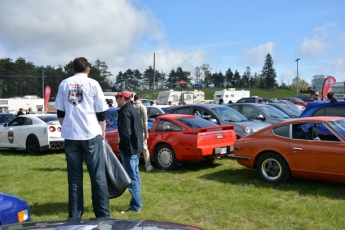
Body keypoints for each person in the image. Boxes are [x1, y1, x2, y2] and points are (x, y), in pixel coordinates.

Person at [54, 57, 109, 219]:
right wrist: (103, 131)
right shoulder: (93, 84)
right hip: (91, 133)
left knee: (74, 177)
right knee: (98, 175)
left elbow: (60, 112)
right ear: (88, 69)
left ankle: (75, 217)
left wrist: (68, 126)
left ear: (73, 69)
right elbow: (101, 112)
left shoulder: (64, 84)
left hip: (71, 136)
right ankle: (103, 216)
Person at [116, 90, 143, 213]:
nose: (116, 99)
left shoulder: (125, 112)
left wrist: (121, 146)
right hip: (136, 147)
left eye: (117, 97)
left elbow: (126, 134)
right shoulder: (133, 109)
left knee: (131, 178)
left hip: (129, 149)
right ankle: (137, 202)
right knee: (136, 176)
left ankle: (135, 206)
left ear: (123, 98)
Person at [133, 94, 153, 172]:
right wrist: (146, 131)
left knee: (134, 148)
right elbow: (145, 121)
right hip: (141, 130)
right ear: (140, 99)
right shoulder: (142, 107)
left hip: (132, 130)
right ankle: (148, 165)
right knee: (145, 148)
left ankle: (135, 165)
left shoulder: (131, 107)